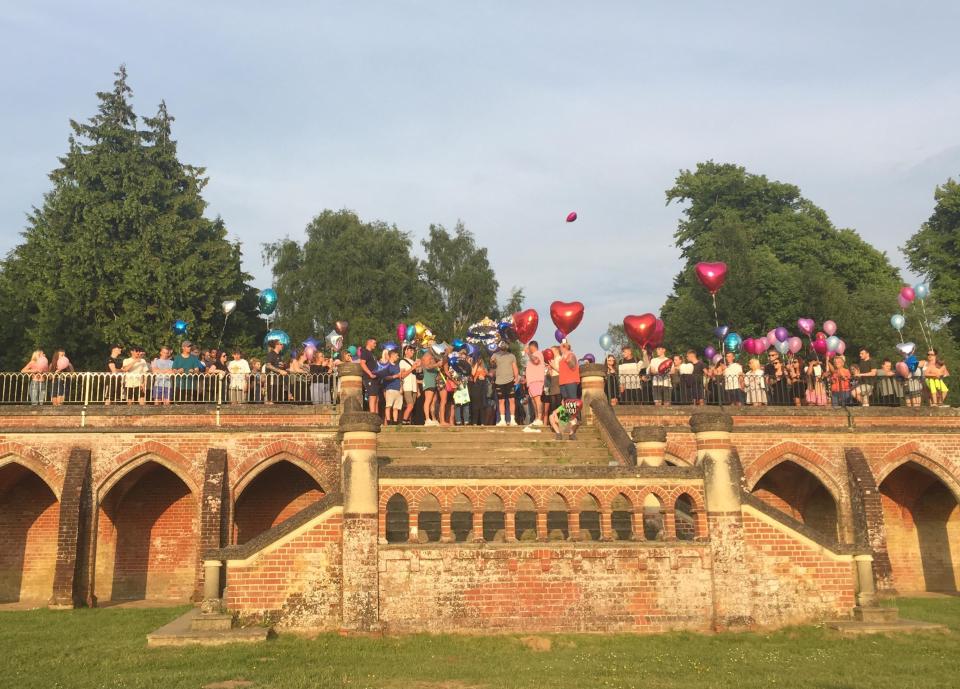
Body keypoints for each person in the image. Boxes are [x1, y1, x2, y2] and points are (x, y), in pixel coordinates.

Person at [492, 341, 520, 426]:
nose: (503, 345)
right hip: (499, 381)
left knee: (512, 400)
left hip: (510, 381)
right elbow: (492, 365)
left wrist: (516, 378)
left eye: (505, 344)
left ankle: (512, 420)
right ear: (499, 346)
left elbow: (515, 367)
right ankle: (502, 420)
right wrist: (492, 361)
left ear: (507, 346)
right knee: (501, 401)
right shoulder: (495, 355)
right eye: (502, 343)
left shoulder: (511, 356)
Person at [378, 349, 404, 425]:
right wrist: (396, 376)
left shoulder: (397, 366)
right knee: (388, 406)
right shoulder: (386, 366)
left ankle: (395, 422)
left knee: (396, 407)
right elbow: (385, 377)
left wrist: (401, 387)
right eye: (396, 355)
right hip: (390, 388)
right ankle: (389, 422)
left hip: (398, 389)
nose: (397, 357)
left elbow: (401, 378)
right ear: (392, 355)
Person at [524, 341, 546, 426]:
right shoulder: (532, 356)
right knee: (533, 401)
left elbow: (536, 361)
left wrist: (529, 353)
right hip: (531, 382)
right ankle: (537, 418)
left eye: (529, 347)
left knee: (537, 400)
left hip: (537, 381)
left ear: (532, 347)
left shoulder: (538, 353)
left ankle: (540, 418)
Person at [358, 338, 381, 414]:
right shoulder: (365, 352)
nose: (375, 345)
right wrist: (370, 374)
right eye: (374, 343)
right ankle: (372, 415)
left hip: (375, 378)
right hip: (368, 378)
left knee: (376, 397)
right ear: (369, 342)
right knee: (372, 396)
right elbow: (362, 363)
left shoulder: (372, 354)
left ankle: (376, 416)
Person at [264, 339, 288, 404]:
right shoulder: (271, 354)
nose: (282, 345)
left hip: (279, 381)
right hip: (272, 380)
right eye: (281, 344)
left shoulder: (280, 355)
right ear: (276, 345)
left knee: (278, 401)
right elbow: (268, 365)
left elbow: (280, 365)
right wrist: (280, 371)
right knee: (272, 401)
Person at [421, 350, 440, 426]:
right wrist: (436, 365)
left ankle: (433, 418)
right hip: (428, 381)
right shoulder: (426, 356)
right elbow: (427, 366)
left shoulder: (433, 357)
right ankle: (427, 419)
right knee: (428, 400)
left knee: (433, 402)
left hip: (434, 382)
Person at [469, 358, 488, 426]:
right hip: (476, 387)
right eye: (478, 359)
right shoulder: (474, 366)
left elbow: (487, 373)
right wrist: (476, 364)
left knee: (482, 405)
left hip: (482, 387)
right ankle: (474, 422)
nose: (479, 360)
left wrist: (483, 376)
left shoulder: (484, 367)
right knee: (475, 405)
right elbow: (473, 373)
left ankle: (482, 422)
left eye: (480, 359)